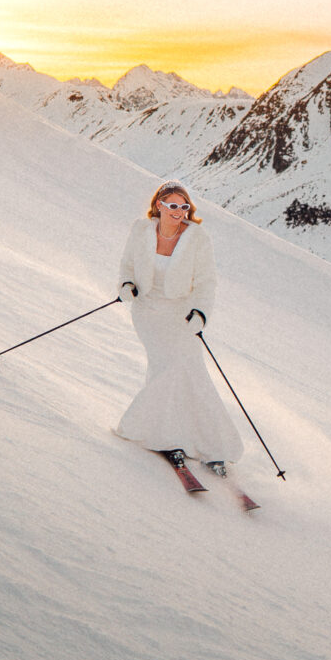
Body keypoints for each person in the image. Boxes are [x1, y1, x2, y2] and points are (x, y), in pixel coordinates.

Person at [113, 183, 243, 474]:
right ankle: (165, 436)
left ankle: (213, 444)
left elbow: (206, 281)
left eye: (184, 206)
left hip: (181, 315)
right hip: (148, 312)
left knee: (192, 373)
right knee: (168, 370)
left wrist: (200, 312)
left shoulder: (197, 237)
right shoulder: (141, 229)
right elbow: (128, 265)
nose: (179, 212)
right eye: (173, 205)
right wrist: (126, 285)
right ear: (159, 205)